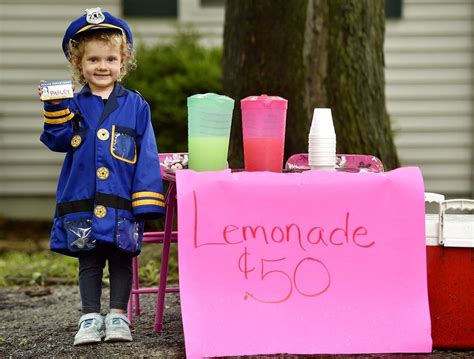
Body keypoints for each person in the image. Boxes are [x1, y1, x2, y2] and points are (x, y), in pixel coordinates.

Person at [37, 8, 165, 345]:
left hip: (121, 198)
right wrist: (54, 110)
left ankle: (119, 315)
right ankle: (90, 317)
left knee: (122, 257)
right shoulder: (71, 104)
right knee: (89, 258)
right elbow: (58, 141)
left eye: (110, 58)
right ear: (79, 65)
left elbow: (147, 154)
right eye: (93, 59)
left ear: (123, 62)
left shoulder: (136, 106)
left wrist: (147, 200)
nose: (102, 66)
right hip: (83, 198)